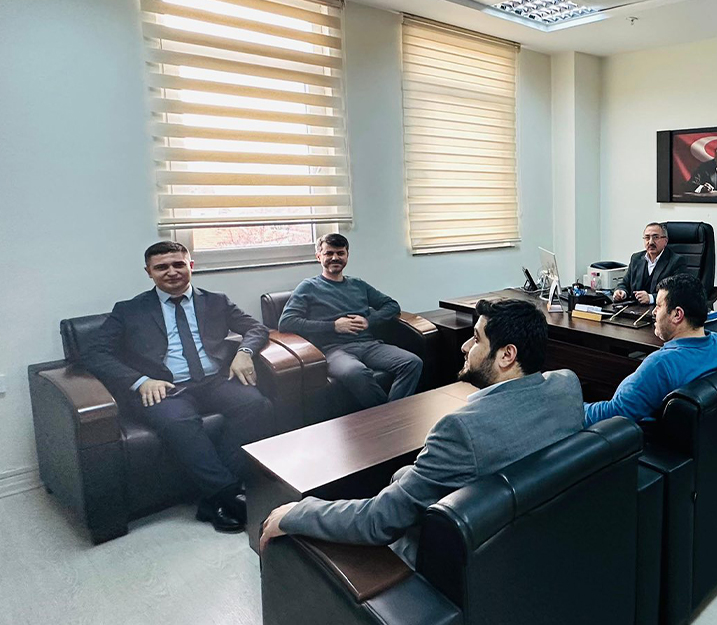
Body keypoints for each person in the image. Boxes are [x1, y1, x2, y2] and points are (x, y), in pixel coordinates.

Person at [260, 298, 584, 565]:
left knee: (396, 492)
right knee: (402, 475)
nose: (465, 347)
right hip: (534, 527)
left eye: (476, 339)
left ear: (506, 355)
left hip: (468, 561)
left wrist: (299, 511)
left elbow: (376, 521)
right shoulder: (567, 384)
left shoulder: (459, 430)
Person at [81, 241, 274, 533]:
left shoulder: (216, 301)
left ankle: (215, 499)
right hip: (165, 388)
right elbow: (94, 353)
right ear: (148, 272)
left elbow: (256, 328)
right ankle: (229, 494)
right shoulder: (129, 310)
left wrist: (244, 352)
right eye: (161, 267)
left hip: (214, 380)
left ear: (190, 266)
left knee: (255, 404)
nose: (171, 272)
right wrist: (139, 381)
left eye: (178, 264)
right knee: (180, 423)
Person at [278, 233, 423, 410]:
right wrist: (334, 326)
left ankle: (391, 413)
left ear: (347, 256)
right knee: (356, 372)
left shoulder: (358, 285)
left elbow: (392, 305)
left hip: (369, 345)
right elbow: (287, 322)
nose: (335, 258)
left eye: (340, 253)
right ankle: (388, 416)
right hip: (334, 350)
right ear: (318, 256)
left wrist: (369, 321)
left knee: (412, 362)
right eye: (329, 253)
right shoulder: (308, 287)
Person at [584, 273, 717, 427]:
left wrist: (574, 408)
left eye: (659, 306)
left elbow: (611, 415)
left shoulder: (660, 365)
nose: (654, 312)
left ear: (677, 314)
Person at [612, 222, 688, 305]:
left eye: (655, 237)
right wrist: (621, 292)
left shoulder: (676, 261)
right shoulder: (636, 258)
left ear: (665, 241)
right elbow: (625, 283)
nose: (651, 242)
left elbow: (677, 293)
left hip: (661, 310)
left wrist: (651, 298)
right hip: (634, 309)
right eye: (647, 238)